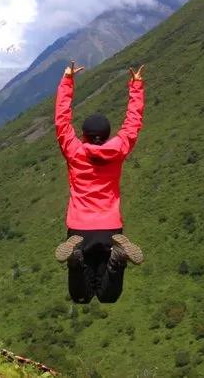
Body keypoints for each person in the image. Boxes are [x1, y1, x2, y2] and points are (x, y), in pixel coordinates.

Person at [53, 60, 145, 304]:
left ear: (83, 135)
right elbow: (133, 125)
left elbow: (62, 121)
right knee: (107, 296)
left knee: (81, 296)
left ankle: (76, 259)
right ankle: (117, 258)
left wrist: (67, 80)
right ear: (107, 135)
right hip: (110, 228)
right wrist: (136, 86)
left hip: (79, 227)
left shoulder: (74, 150)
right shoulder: (118, 149)